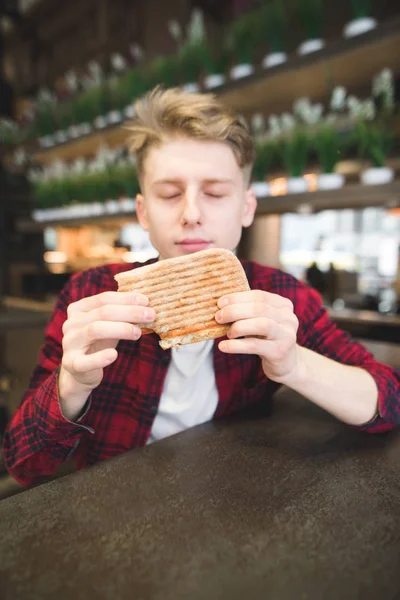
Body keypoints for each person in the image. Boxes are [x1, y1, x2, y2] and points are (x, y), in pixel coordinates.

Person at [4, 88, 400, 486]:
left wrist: (294, 364)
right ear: (143, 211)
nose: (191, 214)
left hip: (231, 501)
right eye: (169, 193)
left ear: (246, 208)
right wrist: (71, 384)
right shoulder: (92, 294)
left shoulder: (278, 296)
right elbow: (22, 463)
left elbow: (389, 400)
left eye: (214, 193)